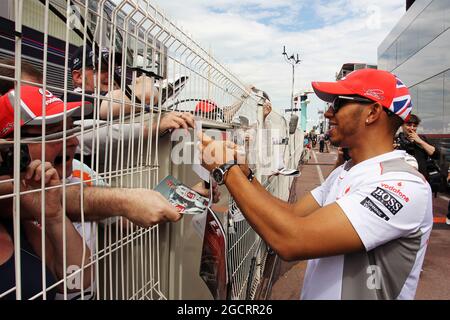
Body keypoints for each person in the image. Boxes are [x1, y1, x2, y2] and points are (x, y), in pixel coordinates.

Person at [199, 68, 433, 300]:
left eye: (338, 103)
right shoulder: (346, 170)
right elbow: (293, 214)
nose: (328, 113)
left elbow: (292, 239)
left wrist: (226, 170)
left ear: (372, 112)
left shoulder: (404, 185)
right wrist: (246, 175)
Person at [0, 92, 92, 299]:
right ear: (9, 149)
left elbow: (75, 283)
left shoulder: (19, 226)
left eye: (70, 129)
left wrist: (54, 217)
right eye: (53, 133)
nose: (74, 141)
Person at [395, 114, 441, 183]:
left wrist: (420, 141)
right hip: (401, 180)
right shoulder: (395, 140)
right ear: (402, 125)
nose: (412, 128)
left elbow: (436, 155)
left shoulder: (422, 139)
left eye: (415, 126)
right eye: (409, 125)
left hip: (421, 179)